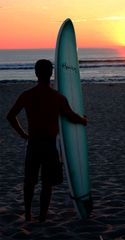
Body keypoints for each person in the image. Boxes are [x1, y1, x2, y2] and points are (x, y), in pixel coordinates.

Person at [7, 59, 87, 222]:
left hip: (33, 144)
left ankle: (28, 214)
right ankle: (42, 216)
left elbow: (10, 116)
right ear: (51, 73)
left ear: (36, 73)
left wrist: (23, 134)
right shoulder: (57, 97)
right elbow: (70, 116)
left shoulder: (27, 95)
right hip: (50, 145)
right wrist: (83, 120)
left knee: (29, 181)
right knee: (47, 183)